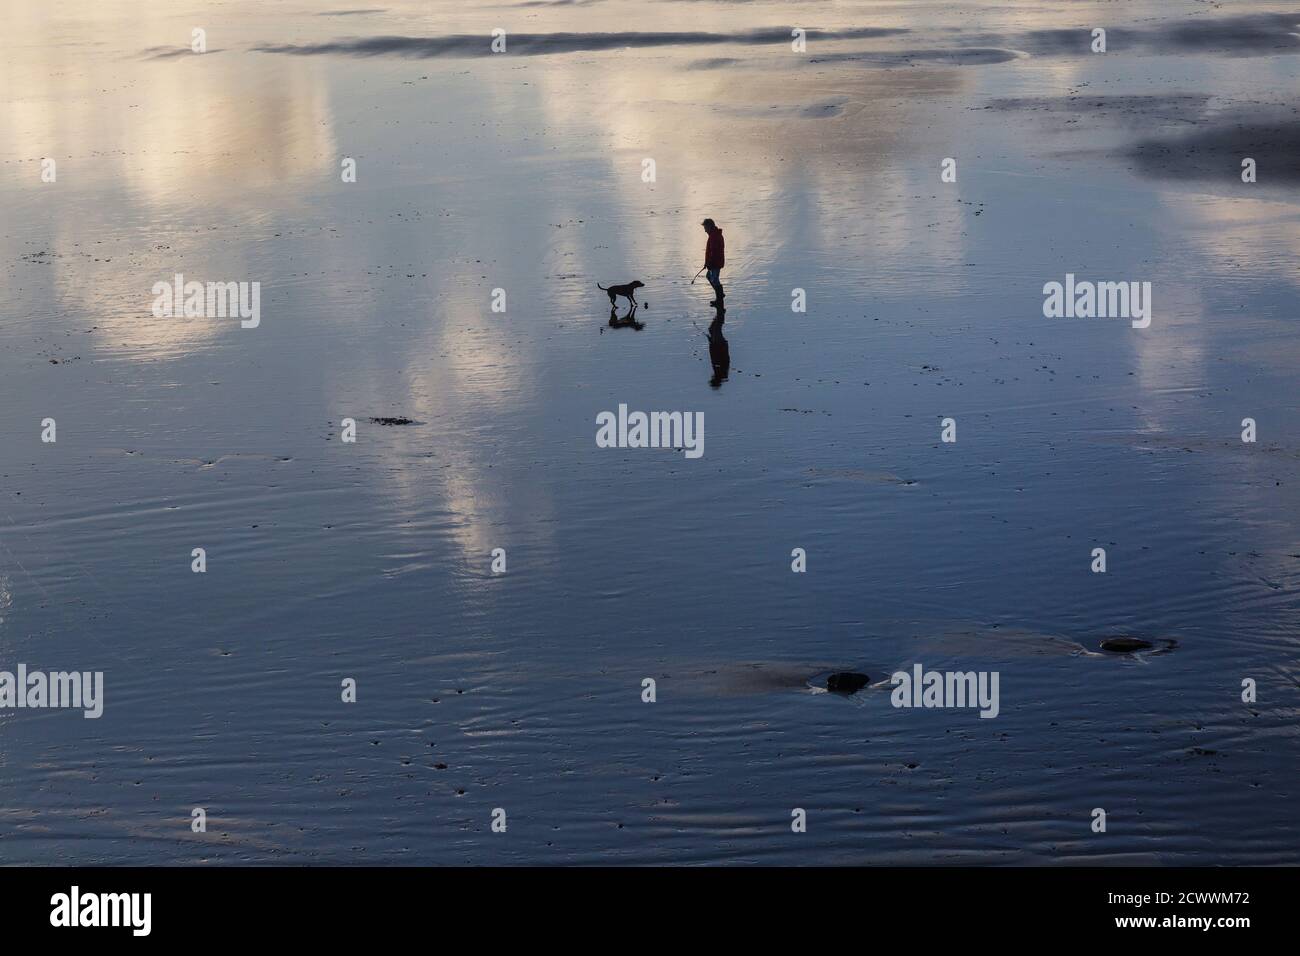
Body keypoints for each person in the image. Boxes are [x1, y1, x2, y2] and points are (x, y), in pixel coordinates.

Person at [701, 218, 725, 306]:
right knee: (710, 277)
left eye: (705, 228)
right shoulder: (713, 235)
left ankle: (719, 299)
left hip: (715, 262)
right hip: (715, 262)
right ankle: (720, 295)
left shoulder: (714, 236)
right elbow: (711, 252)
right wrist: (707, 262)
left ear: (710, 226)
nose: (705, 230)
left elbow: (714, 252)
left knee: (714, 279)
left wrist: (709, 263)